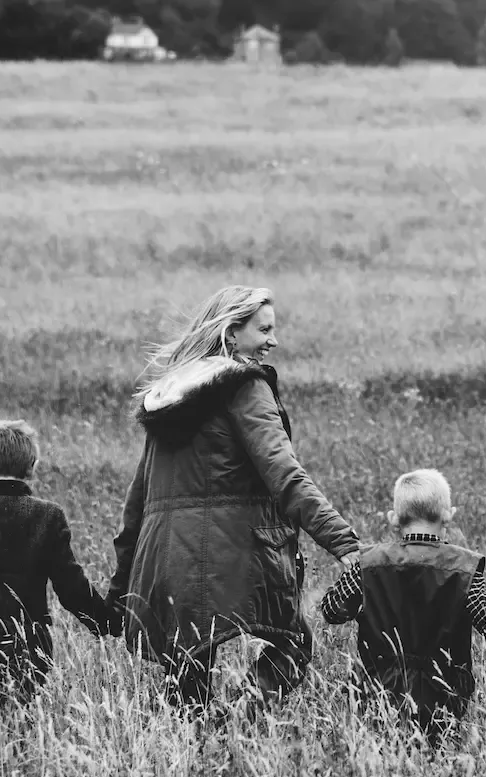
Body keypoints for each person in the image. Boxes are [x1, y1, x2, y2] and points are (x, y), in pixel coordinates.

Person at [109, 285, 363, 713]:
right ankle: (239, 724)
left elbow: (138, 499)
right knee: (293, 643)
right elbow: (285, 473)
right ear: (231, 333)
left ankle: (197, 753)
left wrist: (121, 586)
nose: (273, 340)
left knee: (186, 673)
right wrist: (346, 544)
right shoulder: (245, 387)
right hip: (231, 554)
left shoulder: (170, 395)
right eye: (263, 329)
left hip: (166, 557)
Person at [314, 469, 486, 748]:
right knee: (439, 760)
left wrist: (356, 578)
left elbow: (332, 611)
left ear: (394, 519)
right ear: (448, 515)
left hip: (377, 694)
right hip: (443, 696)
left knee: (380, 760)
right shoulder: (461, 569)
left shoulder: (369, 563)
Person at [0, 419, 120, 710]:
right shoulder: (48, 515)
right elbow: (71, 585)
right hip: (32, 644)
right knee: (25, 720)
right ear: (33, 466)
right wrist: (106, 621)